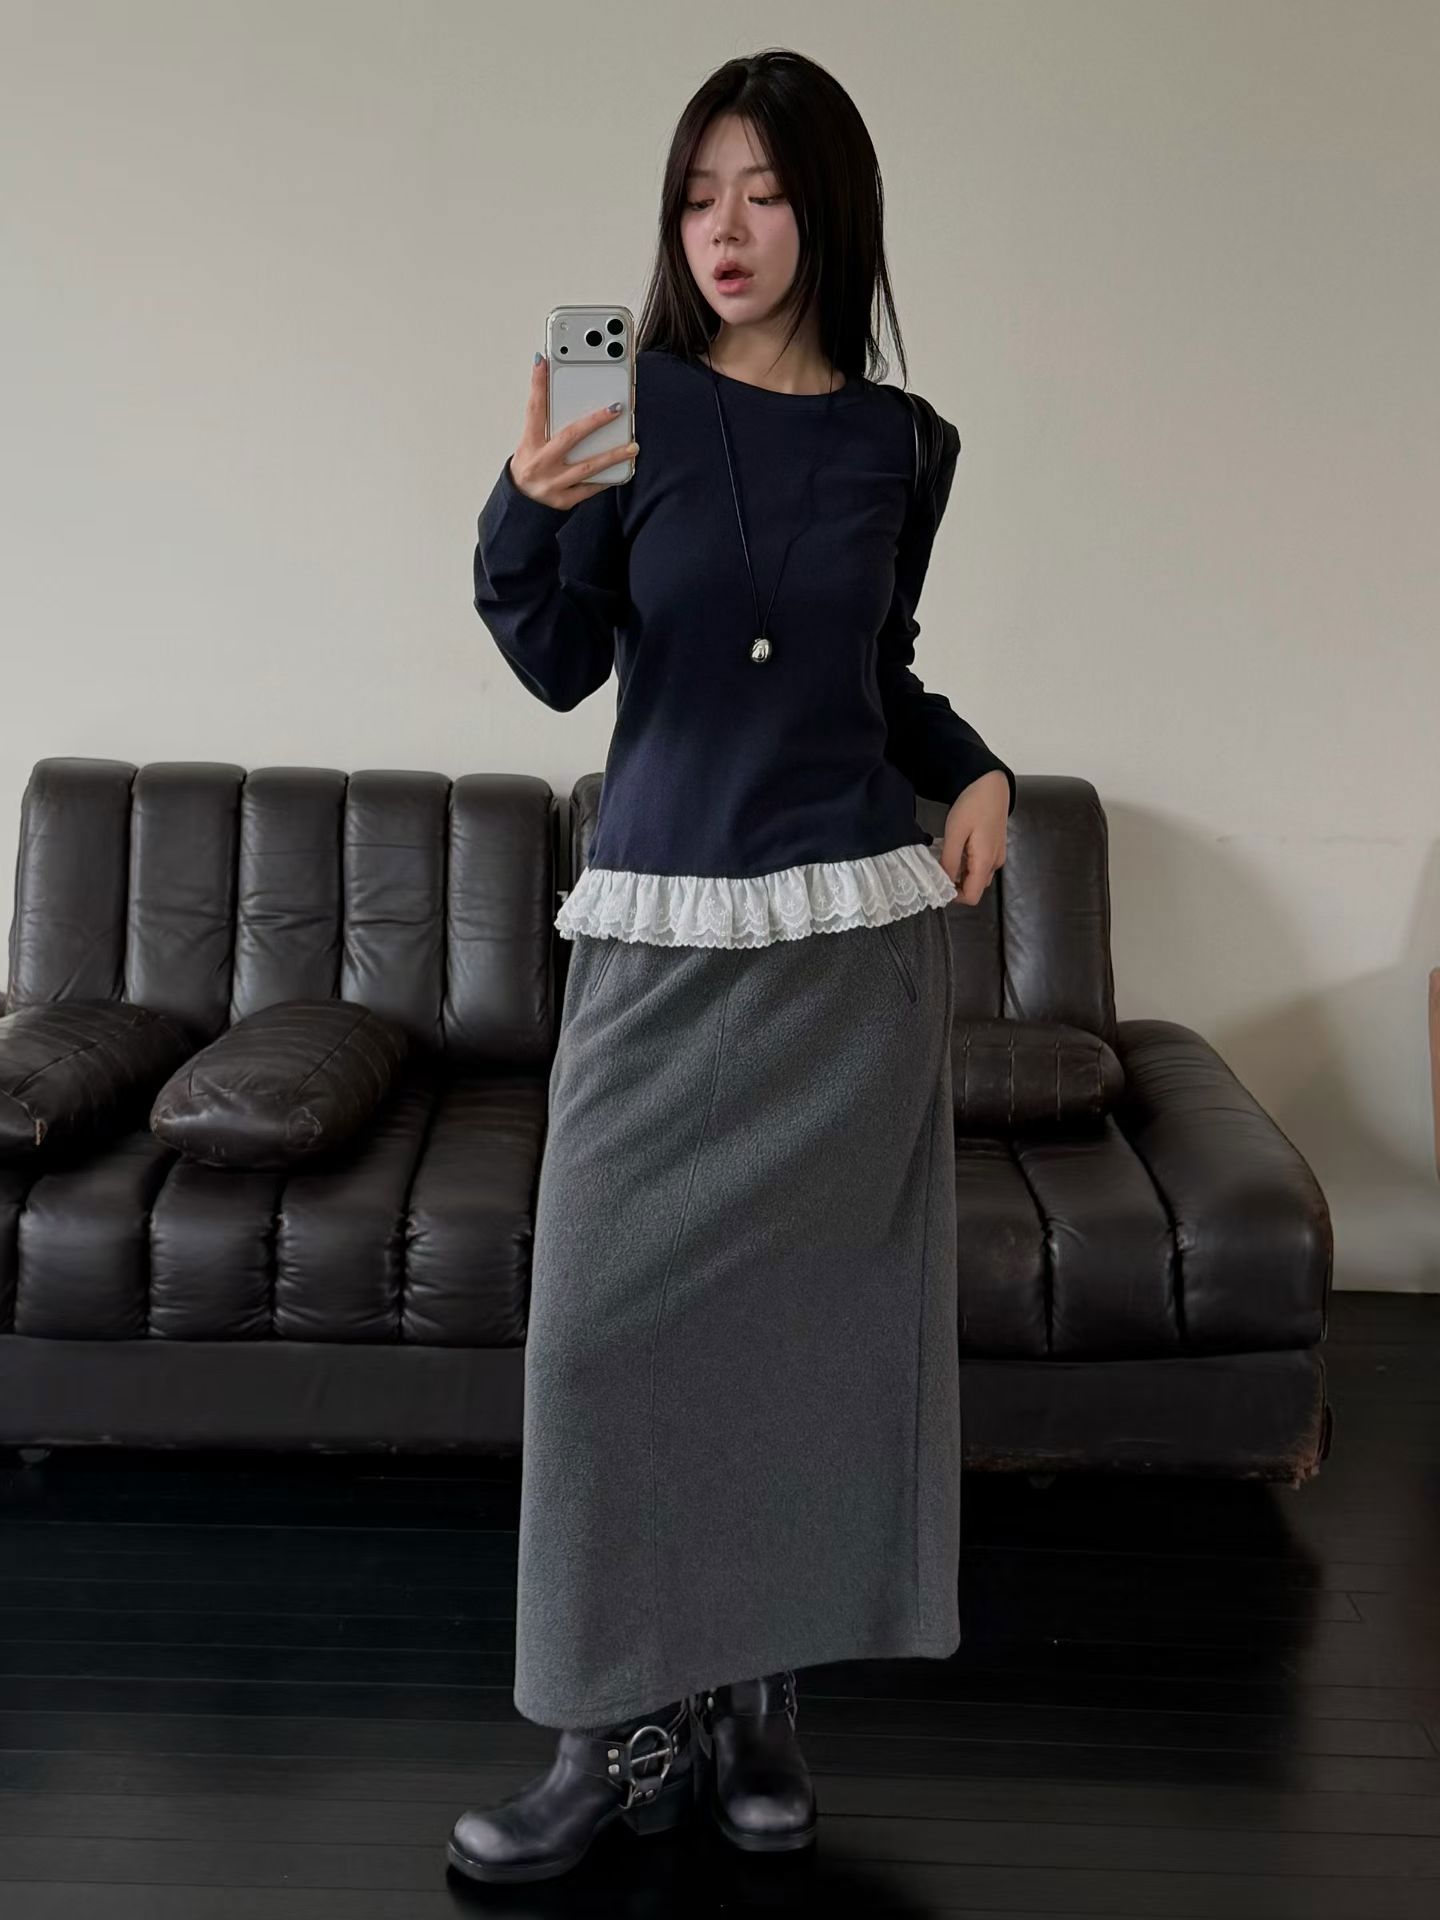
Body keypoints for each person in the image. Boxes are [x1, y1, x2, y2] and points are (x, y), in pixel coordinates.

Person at [448, 47, 1015, 1887]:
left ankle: (761, 1702)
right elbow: (555, 660)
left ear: (830, 209)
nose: (728, 227)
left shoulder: (905, 445)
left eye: (765, 191)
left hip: (847, 963)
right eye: (700, 194)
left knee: (807, 1357)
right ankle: (598, 1731)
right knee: (596, 1345)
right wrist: (529, 498)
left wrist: (973, 768)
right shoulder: (622, 395)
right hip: (662, 935)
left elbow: (878, 674)